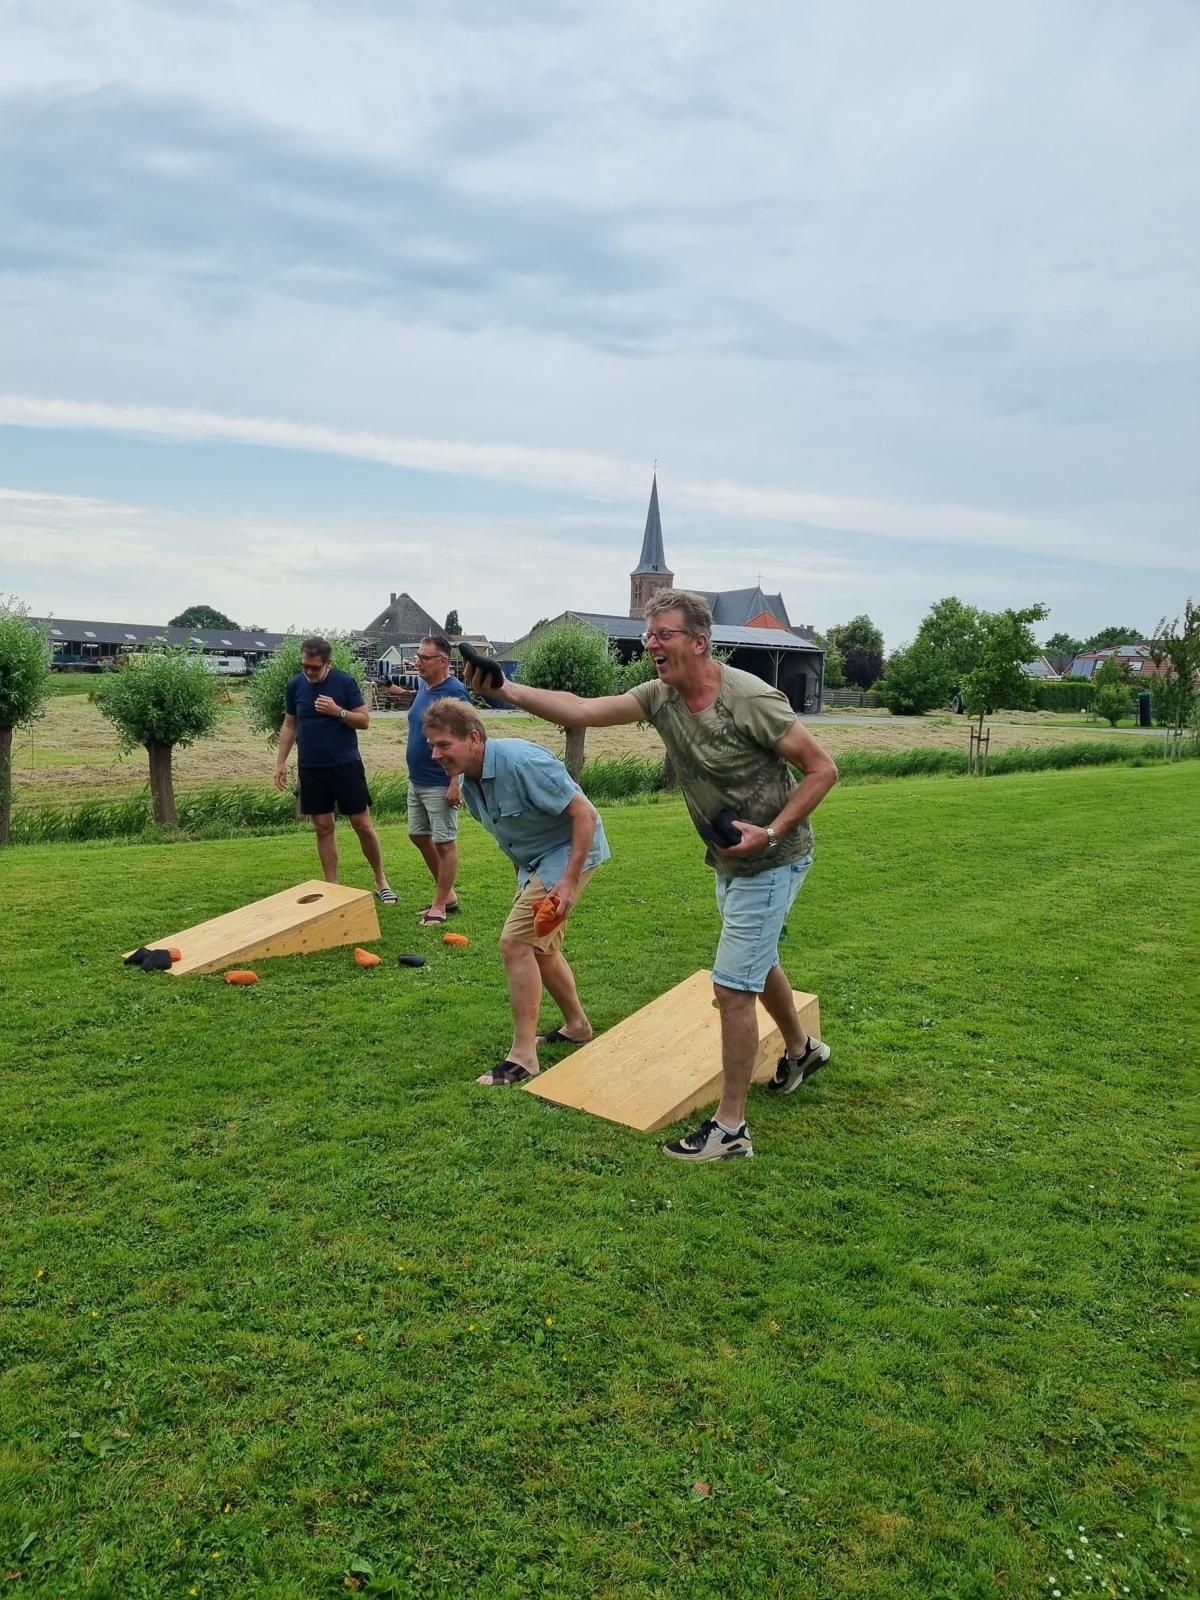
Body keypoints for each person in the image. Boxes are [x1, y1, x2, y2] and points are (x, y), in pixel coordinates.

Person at [461, 589, 838, 1162]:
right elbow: (581, 709)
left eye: (663, 634)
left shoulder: (750, 698)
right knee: (758, 964)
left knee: (732, 986)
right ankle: (801, 1047)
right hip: (732, 857)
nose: (651, 644)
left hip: (773, 857)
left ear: (699, 642)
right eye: (649, 634)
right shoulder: (660, 696)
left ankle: (730, 1130)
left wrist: (774, 830)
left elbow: (821, 769)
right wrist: (503, 690)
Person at [421, 697, 610, 1086]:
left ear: (473, 738)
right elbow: (513, 839)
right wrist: (525, 885)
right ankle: (577, 1026)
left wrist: (569, 881)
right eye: (432, 746)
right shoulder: (471, 786)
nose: (435, 754)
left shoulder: (521, 762)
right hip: (536, 862)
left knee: (515, 944)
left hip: (571, 852)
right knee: (541, 947)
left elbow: (585, 814)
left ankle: (524, 1056)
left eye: (443, 745)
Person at [274, 636, 397, 903]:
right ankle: (332, 887)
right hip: (311, 768)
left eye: (314, 667)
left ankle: (381, 880)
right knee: (322, 827)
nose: (308, 671)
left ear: (328, 663)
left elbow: (364, 721)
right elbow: (289, 725)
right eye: (305, 665)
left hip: (345, 765)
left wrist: (337, 711)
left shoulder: (344, 683)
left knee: (362, 824)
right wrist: (281, 762)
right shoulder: (295, 685)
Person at [402, 634, 472, 926]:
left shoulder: (454, 694)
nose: (417, 661)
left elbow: (466, 739)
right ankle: (448, 894)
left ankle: (441, 904)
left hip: (441, 780)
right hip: (417, 778)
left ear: (443, 661)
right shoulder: (423, 687)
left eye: (424, 657)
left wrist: (456, 781)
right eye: (418, 656)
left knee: (444, 842)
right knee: (418, 835)